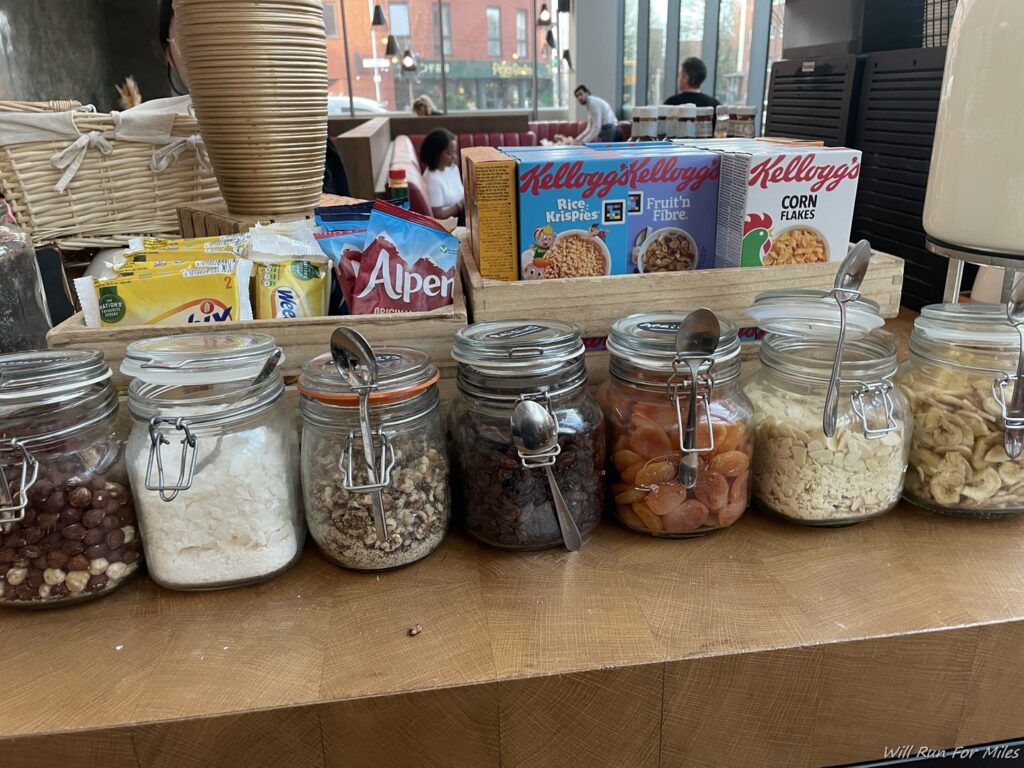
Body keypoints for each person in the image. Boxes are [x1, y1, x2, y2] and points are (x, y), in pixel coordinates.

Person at [158, 0, 350, 197]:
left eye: (237, 34)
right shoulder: (152, 157)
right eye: (196, 37)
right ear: (169, 55)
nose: (218, 51)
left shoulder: (309, 148)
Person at [419, 129, 465, 224]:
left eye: (454, 152)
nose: (454, 156)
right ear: (436, 154)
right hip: (452, 222)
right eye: (449, 153)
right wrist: (461, 204)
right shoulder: (432, 179)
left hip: (464, 213)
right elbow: (438, 216)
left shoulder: (453, 168)